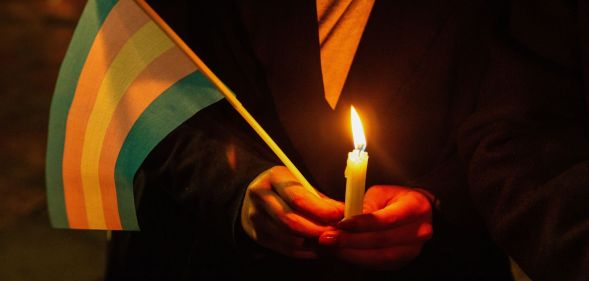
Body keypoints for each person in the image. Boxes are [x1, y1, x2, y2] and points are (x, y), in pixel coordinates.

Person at [106, 0, 589, 280]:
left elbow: (525, 105)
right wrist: (237, 188)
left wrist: (434, 199)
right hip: (203, 252)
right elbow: (138, 75)